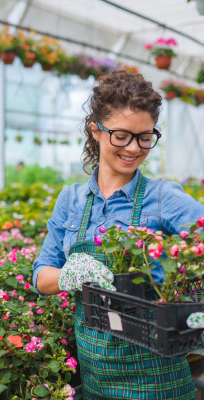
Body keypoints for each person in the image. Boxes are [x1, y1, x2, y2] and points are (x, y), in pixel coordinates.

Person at [32, 70, 204, 399]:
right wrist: (69, 275)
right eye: (122, 136)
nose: (134, 148)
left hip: (158, 380)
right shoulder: (70, 200)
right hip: (97, 379)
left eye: (144, 136)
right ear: (95, 130)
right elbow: (42, 276)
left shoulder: (163, 197)